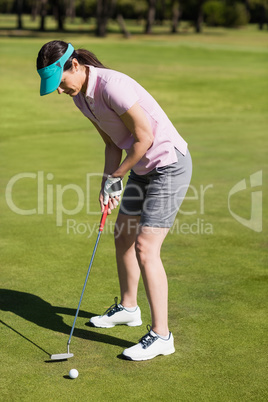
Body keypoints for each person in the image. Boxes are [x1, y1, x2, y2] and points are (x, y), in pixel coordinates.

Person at [36, 40, 192, 361]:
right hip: (141, 166)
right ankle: (129, 307)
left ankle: (162, 335)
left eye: (61, 83)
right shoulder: (82, 98)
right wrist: (109, 181)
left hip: (168, 165)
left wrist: (116, 178)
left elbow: (144, 137)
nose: (60, 91)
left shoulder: (112, 86)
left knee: (146, 248)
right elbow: (111, 145)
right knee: (122, 235)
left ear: (75, 66)